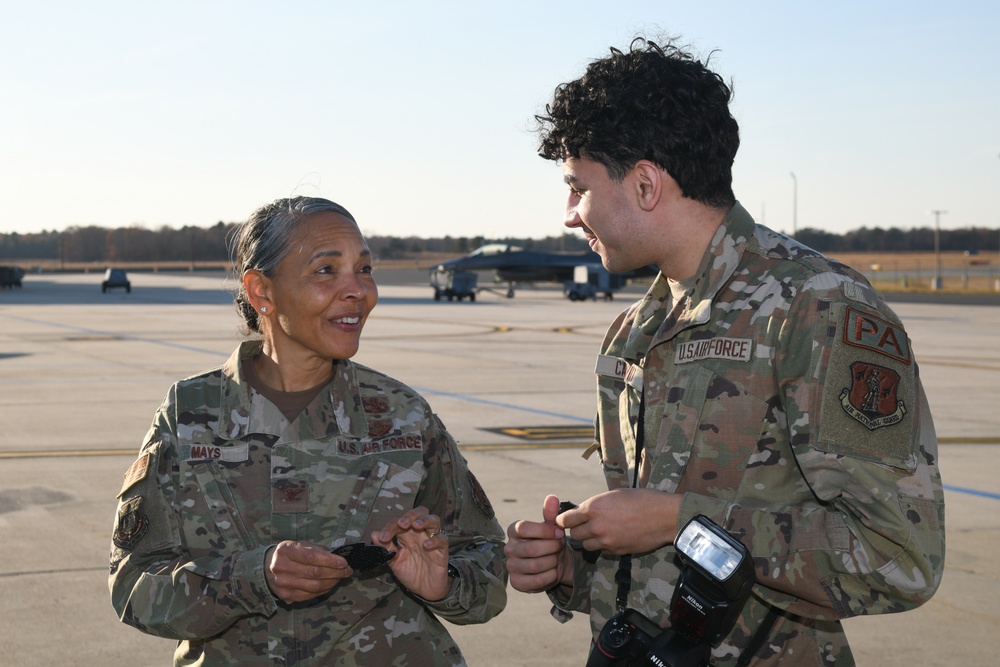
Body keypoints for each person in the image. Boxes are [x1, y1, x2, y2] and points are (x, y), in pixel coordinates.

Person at [504, 38, 945, 666]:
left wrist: (675, 520)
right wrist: (571, 563)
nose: (570, 215)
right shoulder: (636, 330)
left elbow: (898, 557)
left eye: (578, 188)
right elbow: (662, 557)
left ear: (647, 183)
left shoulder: (820, 308)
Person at [109, 196, 507, 666]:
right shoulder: (190, 414)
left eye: (364, 268)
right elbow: (134, 587)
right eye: (326, 271)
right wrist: (251, 579)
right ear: (262, 292)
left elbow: (488, 565)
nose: (358, 290)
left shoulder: (402, 416)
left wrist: (441, 583)